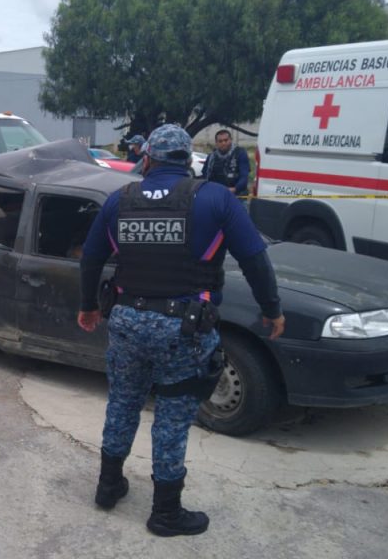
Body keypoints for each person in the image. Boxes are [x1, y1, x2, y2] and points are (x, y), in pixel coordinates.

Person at [77, 124, 284, 537]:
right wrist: (271, 310)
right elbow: (255, 259)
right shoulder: (216, 198)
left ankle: (108, 486)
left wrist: (87, 308)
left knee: (122, 402)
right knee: (171, 416)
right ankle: (166, 513)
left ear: (148, 158)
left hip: (127, 320)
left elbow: (90, 258)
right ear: (189, 160)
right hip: (183, 329)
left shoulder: (120, 200)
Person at [201, 129, 250, 197]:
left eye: (226, 140)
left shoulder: (240, 153)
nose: (223, 143)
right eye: (220, 141)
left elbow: (244, 177)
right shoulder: (211, 157)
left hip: (236, 195)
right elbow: (204, 176)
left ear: (230, 140)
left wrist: (234, 189)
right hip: (216, 195)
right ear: (216, 143)